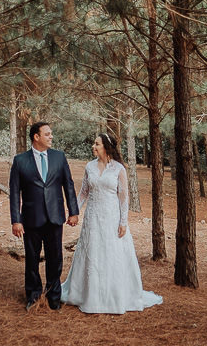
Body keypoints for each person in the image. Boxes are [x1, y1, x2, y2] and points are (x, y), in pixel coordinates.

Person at [60, 133, 163, 314]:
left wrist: (123, 222)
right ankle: (88, 294)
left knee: (111, 253)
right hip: (92, 218)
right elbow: (84, 192)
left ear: (106, 147)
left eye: (97, 144)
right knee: (92, 251)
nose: (94, 146)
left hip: (111, 217)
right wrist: (74, 211)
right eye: (94, 143)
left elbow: (123, 197)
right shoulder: (90, 166)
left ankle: (114, 295)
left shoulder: (118, 169)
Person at [9, 121, 79, 310]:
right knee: (31, 259)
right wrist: (16, 220)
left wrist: (74, 212)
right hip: (31, 219)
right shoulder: (20, 161)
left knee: (55, 258)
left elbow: (69, 185)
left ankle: (54, 297)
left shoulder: (59, 157)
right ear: (36, 137)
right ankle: (33, 296)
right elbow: (15, 193)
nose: (51, 137)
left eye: (51, 134)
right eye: (47, 134)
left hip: (55, 217)